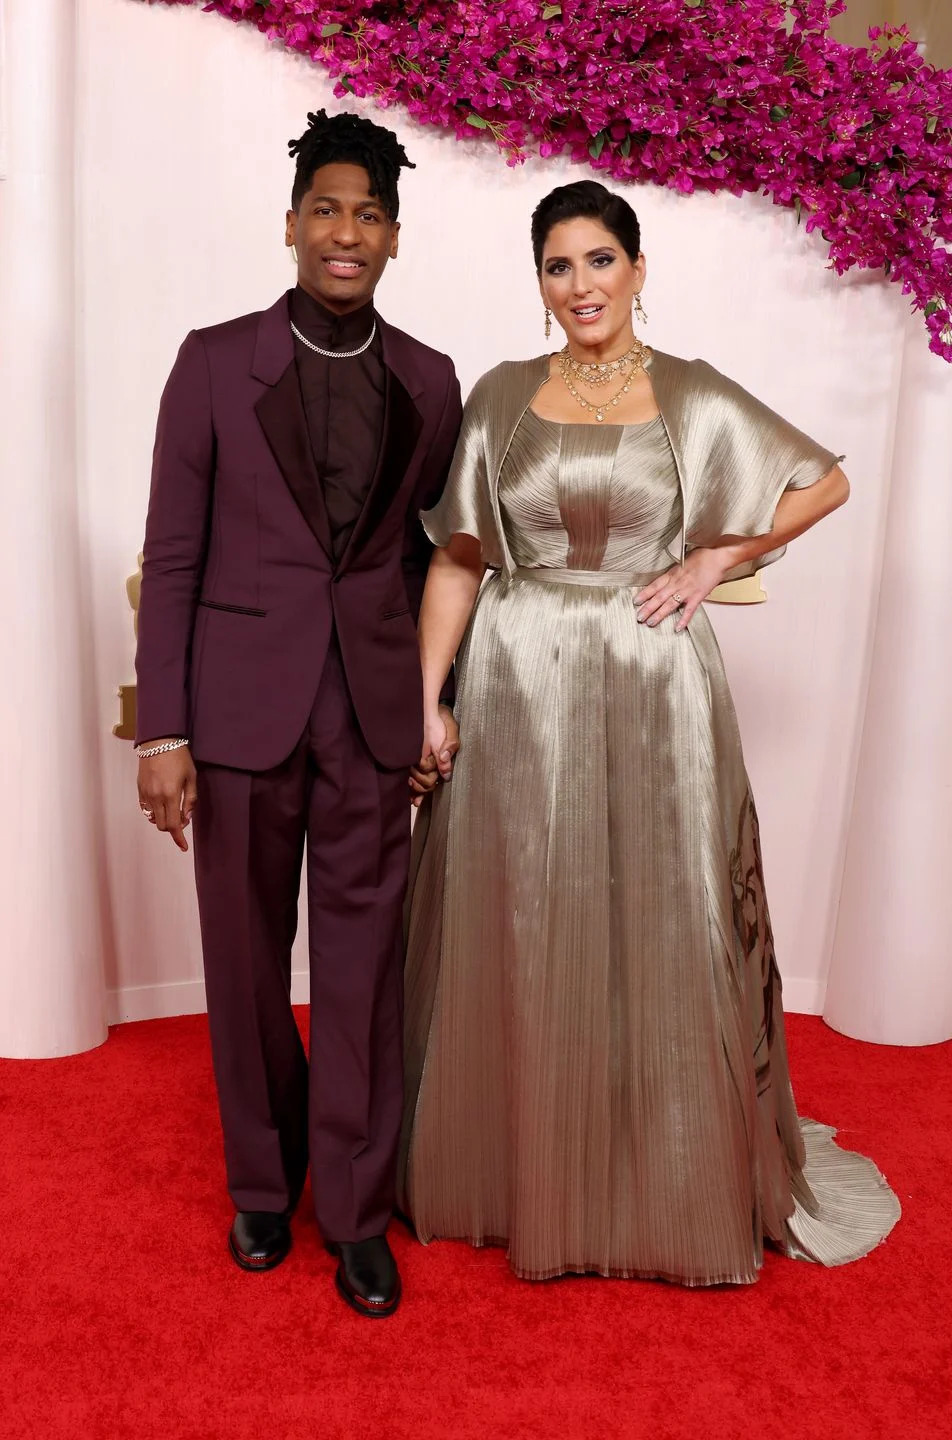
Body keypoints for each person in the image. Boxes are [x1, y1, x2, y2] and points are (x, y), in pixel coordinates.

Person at [399, 180, 900, 1285]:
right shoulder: (501, 399)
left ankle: (663, 1181)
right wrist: (428, 695)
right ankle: (517, 1168)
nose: (580, 285)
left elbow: (826, 481)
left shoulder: (691, 393)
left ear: (637, 269)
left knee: (664, 914)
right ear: (538, 284)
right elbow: (458, 560)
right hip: (519, 681)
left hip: (654, 677)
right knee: (521, 914)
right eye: (558, 266)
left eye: (599, 261)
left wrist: (719, 557)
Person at [134, 110, 460, 1317]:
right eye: (327, 208)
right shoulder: (214, 362)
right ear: (291, 226)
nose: (346, 231)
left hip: (373, 719)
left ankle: (358, 1214)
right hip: (235, 718)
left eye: (369, 214)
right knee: (245, 967)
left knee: (366, 972)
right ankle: (264, 1186)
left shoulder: (430, 378)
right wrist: (161, 733)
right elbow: (173, 557)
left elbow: (446, 557)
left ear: (392, 238)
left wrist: (439, 704)